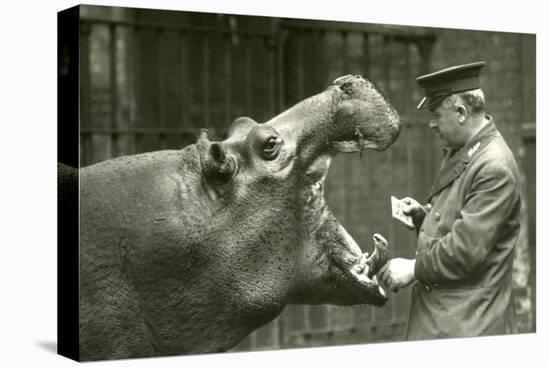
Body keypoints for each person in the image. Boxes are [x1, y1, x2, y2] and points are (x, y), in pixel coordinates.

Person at [378, 61, 521, 340]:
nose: (431, 124)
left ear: (461, 112)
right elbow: (461, 216)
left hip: (470, 324)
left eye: (436, 114)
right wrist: (423, 216)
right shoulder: (466, 149)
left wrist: (413, 268)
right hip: (449, 318)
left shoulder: (493, 166)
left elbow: (466, 250)